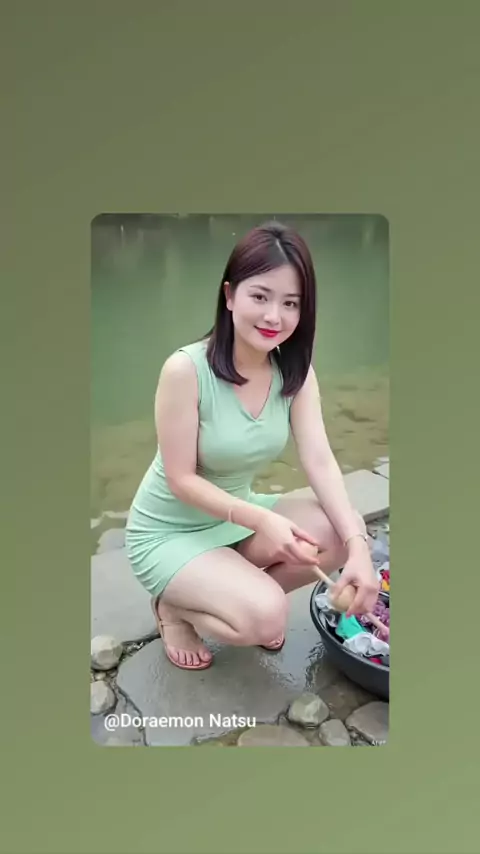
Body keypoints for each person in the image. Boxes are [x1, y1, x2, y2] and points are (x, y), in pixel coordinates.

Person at [125, 221, 379, 671]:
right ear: (229, 296)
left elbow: (319, 459)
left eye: (290, 303)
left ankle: (234, 593)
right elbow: (181, 479)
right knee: (265, 617)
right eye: (260, 296)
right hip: (168, 531)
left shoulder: (294, 373)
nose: (273, 317)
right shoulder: (185, 370)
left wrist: (359, 548)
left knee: (339, 532)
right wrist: (263, 520)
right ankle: (174, 607)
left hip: (235, 518)